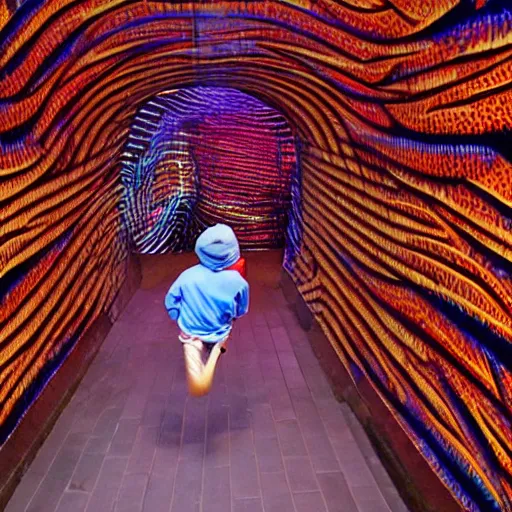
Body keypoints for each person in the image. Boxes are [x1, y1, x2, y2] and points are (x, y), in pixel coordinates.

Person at [165, 224, 249, 396]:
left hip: (190, 326)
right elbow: (241, 310)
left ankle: (193, 344)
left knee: (190, 338)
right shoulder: (239, 282)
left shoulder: (187, 275)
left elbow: (171, 300)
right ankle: (217, 345)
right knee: (224, 328)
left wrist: (177, 314)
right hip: (218, 328)